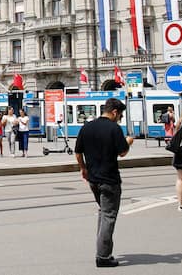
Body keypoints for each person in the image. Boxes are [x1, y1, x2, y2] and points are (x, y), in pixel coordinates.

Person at [74, 97, 134, 268]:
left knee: (103, 212)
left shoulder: (87, 127)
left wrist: (83, 169)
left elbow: (78, 152)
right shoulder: (114, 128)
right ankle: (103, 257)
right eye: (120, 115)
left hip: (93, 179)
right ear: (114, 112)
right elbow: (122, 152)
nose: (120, 118)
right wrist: (128, 142)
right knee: (108, 215)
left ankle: (102, 248)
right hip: (110, 180)